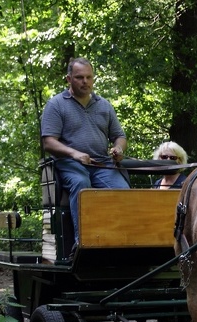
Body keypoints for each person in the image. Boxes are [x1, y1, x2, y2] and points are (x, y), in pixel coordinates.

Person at [40, 57, 129, 247]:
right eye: (79, 77)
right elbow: (48, 142)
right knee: (82, 184)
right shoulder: (56, 105)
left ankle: (119, 240)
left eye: (89, 77)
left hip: (101, 164)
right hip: (69, 164)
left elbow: (119, 136)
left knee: (123, 191)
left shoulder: (104, 105)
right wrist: (74, 154)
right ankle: (83, 242)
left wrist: (119, 148)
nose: (85, 82)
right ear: (69, 79)